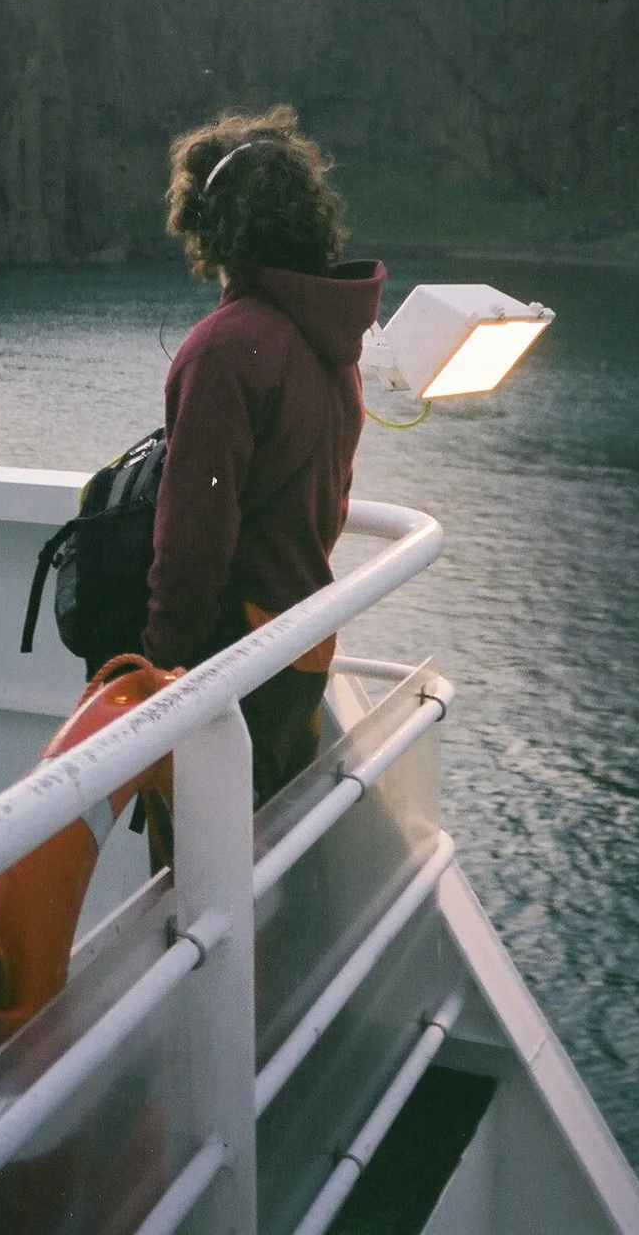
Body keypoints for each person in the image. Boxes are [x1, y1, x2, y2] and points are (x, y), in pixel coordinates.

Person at [141, 104, 385, 805]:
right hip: (300, 645)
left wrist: (159, 671)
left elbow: (193, 543)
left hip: (234, 662)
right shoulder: (330, 338)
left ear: (211, 225)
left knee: (204, 856)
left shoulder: (226, 349)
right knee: (259, 850)